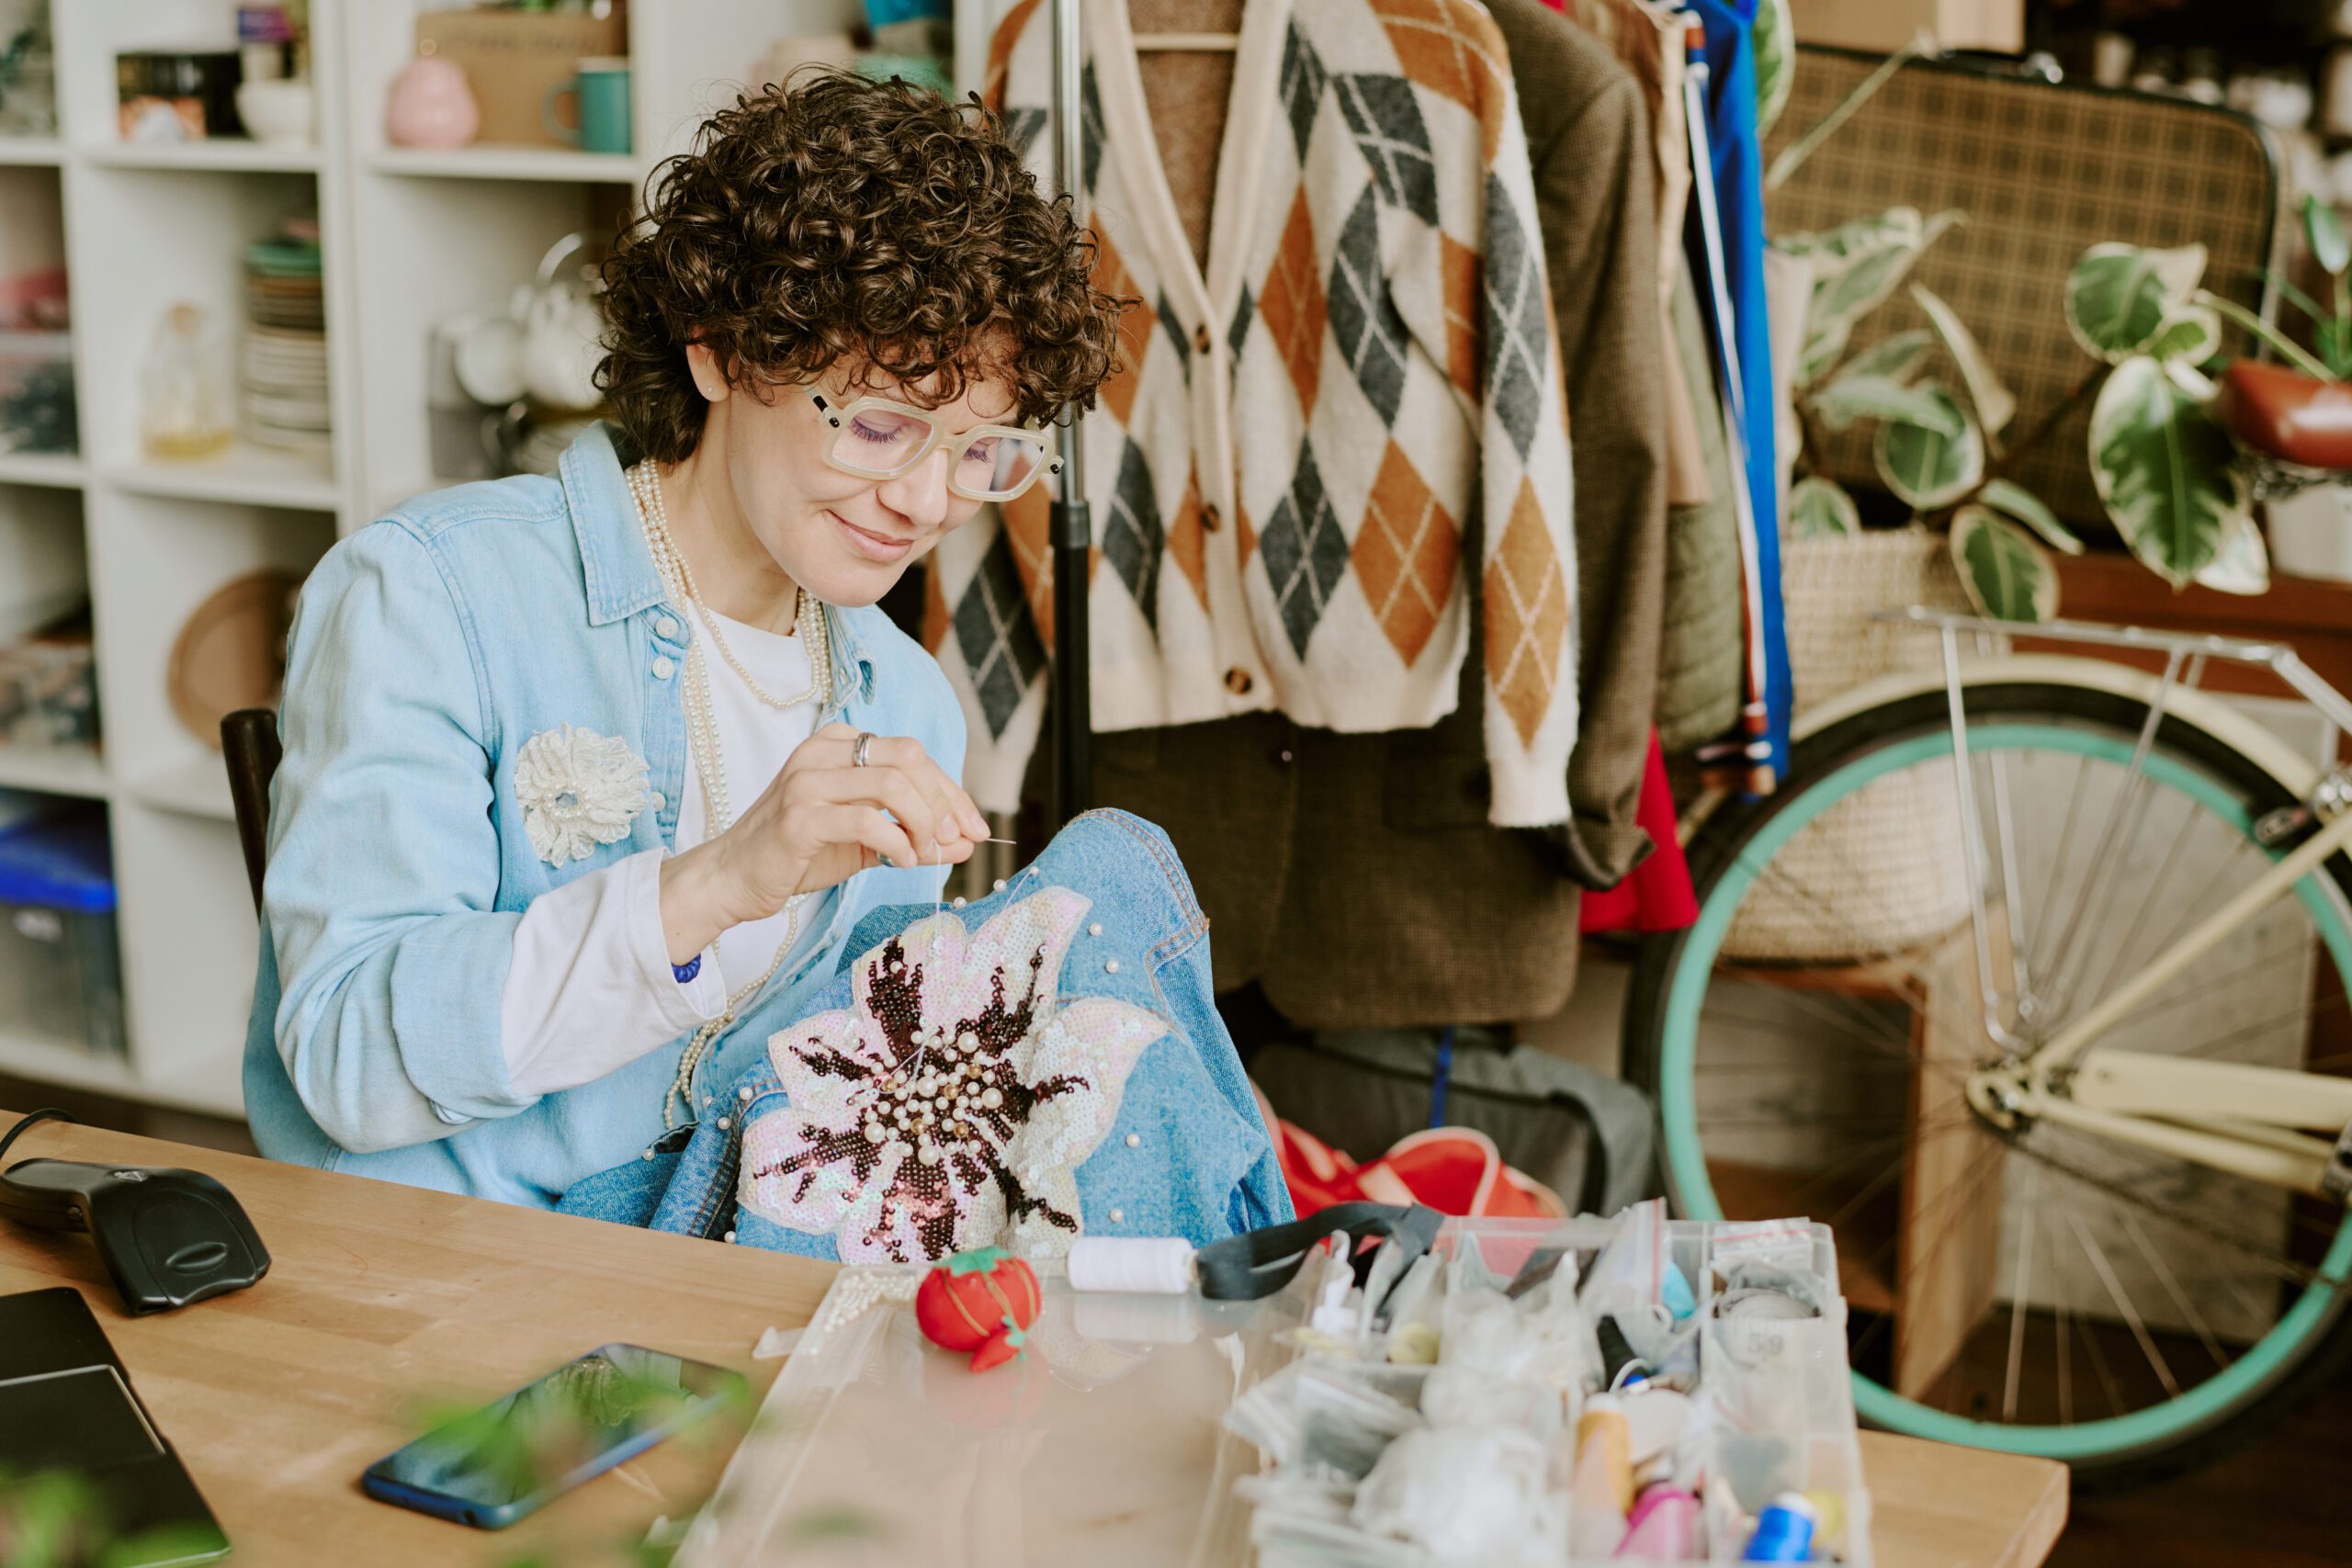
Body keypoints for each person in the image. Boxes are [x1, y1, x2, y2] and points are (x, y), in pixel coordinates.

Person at [243, 72, 1123, 1208]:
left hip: (729, 1290)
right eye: (878, 426)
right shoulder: (436, 596)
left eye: (978, 451)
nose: (923, 501)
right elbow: (347, 1060)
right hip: (448, 1283)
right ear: (718, 351)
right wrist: (715, 885)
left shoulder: (907, 708)